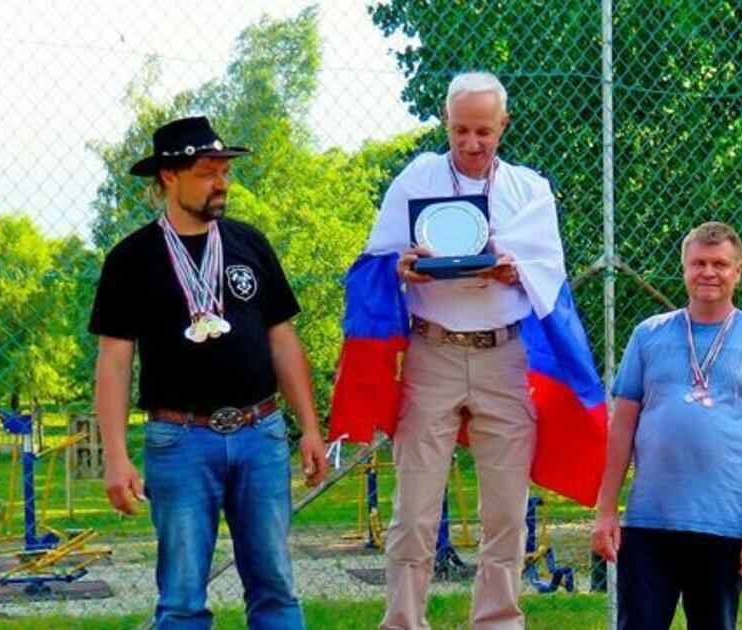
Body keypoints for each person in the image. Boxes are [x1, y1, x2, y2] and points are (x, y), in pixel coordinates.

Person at [89, 115, 328, 629]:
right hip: (179, 441)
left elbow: (283, 340)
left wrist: (309, 427)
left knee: (276, 588)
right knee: (181, 598)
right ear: (169, 176)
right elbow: (114, 362)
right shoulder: (131, 260)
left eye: (225, 171)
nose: (221, 183)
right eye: (207, 172)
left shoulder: (250, 244)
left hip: (260, 434)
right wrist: (116, 456)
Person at [362, 71, 576, 630]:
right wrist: (401, 267)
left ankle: (497, 621)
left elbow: (549, 272)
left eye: (484, 130)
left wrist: (514, 270)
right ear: (446, 123)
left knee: (506, 511)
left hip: (504, 356)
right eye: (460, 130)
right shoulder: (418, 178)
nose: (472, 143)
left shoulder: (530, 190)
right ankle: (403, 621)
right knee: (414, 509)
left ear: (503, 125)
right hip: (431, 351)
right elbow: (377, 258)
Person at [591, 222, 742, 630]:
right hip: (650, 522)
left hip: (723, 524)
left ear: (738, 272)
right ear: (683, 268)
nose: (709, 272)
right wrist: (605, 512)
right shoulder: (648, 335)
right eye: (699, 263)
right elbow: (621, 429)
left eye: (720, 264)